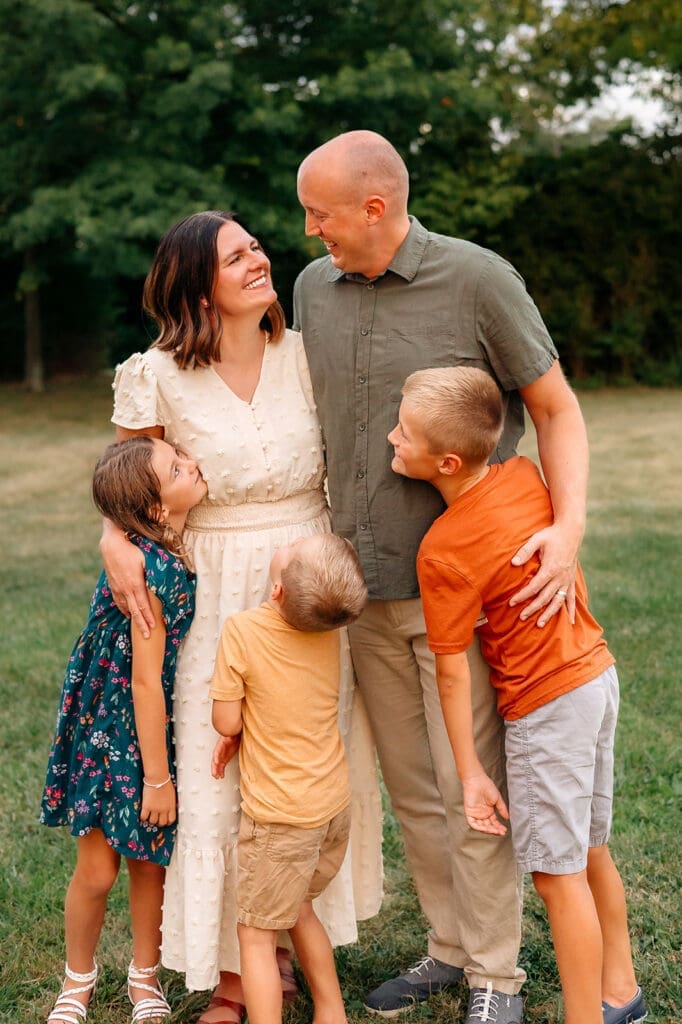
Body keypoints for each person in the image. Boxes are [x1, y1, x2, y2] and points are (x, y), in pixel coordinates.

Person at [293, 130, 589, 1024]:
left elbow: (555, 407)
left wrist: (567, 531)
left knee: (475, 789)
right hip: (362, 589)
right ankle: (449, 948)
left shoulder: (479, 280)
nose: (310, 232)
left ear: (374, 207)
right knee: (415, 790)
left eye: (321, 213)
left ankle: (498, 976)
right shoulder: (313, 291)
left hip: (463, 593)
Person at [101, 211, 383, 1023]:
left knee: (305, 764)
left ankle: (293, 945)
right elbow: (125, 489)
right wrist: (115, 543)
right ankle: (235, 971)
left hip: (307, 577)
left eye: (256, 246)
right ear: (197, 284)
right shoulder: (154, 375)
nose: (259, 259)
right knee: (217, 763)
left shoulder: (307, 356)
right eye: (237, 256)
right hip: (211, 589)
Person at [388, 365, 647, 1024]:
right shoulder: (524, 475)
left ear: (445, 461)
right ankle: (623, 994)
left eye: (403, 433)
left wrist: (471, 774)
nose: (391, 438)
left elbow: (451, 671)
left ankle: (587, 1016)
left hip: (545, 705)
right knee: (589, 853)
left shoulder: (442, 549)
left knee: (557, 878)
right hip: (595, 677)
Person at [41, 435, 204, 1024]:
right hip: (111, 727)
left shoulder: (157, 546)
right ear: (157, 511)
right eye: (179, 467)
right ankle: (76, 981)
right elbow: (143, 682)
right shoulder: (151, 569)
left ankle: (144, 980)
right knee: (99, 867)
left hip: (144, 721)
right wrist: (157, 780)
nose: (194, 465)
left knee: (147, 861)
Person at [209, 533, 368, 1024]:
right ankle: (331, 1012)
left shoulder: (243, 630)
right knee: (298, 908)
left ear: (276, 590)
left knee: (256, 934)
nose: (293, 541)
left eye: (296, 548)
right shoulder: (326, 629)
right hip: (331, 808)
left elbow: (227, 722)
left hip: (281, 820)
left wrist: (235, 730)